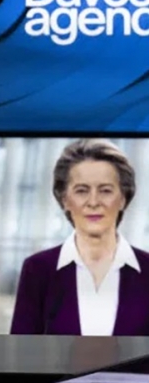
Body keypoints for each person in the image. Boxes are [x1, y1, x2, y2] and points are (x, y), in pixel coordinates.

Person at [10, 138, 149, 336]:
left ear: (123, 198)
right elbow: (21, 350)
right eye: (82, 191)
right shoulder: (38, 269)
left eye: (105, 191)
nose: (93, 202)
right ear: (65, 200)